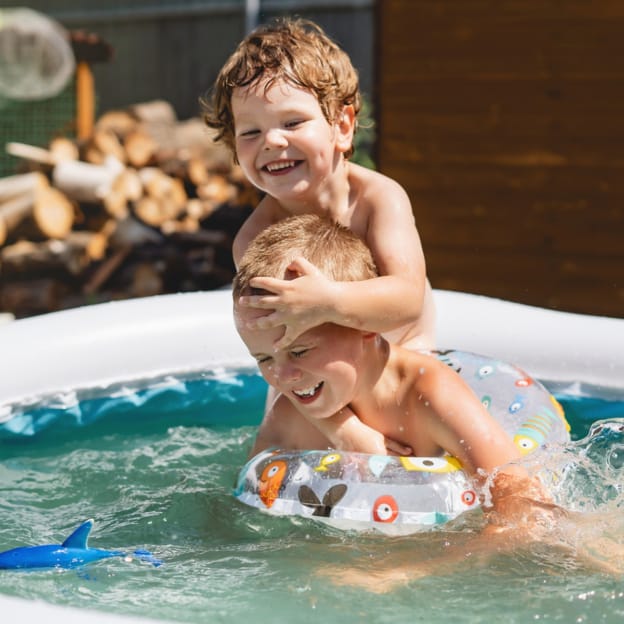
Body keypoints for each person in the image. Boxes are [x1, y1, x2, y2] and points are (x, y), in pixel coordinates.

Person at [233, 214, 549, 522]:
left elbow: (518, 497)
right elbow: (248, 504)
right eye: (264, 359)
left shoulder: (429, 394)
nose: (282, 377)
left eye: (299, 351)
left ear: (366, 326)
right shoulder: (287, 418)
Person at [204, 17, 436, 351]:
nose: (271, 140)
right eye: (251, 132)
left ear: (342, 127)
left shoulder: (377, 200)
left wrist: (329, 300)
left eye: (293, 122)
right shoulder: (254, 239)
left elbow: (407, 299)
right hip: (323, 370)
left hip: (405, 357)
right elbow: (273, 337)